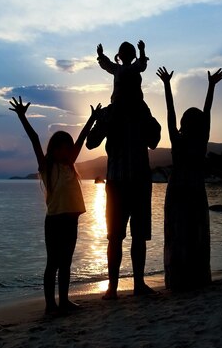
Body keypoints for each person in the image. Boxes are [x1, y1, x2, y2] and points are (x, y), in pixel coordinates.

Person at [9, 96, 101, 315]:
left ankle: (65, 301)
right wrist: (23, 116)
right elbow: (34, 138)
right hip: (55, 222)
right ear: (54, 149)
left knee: (66, 264)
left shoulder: (70, 165)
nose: (68, 151)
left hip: (71, 221)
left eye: (69, 148)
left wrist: (91, 119)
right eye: (63, 148)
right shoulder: (48, 168)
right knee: (53, 264)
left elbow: (81, 138)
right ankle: (51, 305)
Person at [86, 90, 161, 300]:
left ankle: (135, 284)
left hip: (135, 182)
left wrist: (146, 115)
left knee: (135, 237)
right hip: (120, 183)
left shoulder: (141, 110)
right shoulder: (113, 113)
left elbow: (154, 140)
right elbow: (91, 142)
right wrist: (101, 119)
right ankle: (113, 288)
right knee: (116, 237)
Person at [157, 66, 222, 291]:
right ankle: (197, 278)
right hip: (194, 188)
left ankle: (178, 280)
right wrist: (211, 86)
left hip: (178, 189)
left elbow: (170, 112)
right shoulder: (200, 140)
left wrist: (167, 85)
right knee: (195, 233)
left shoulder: (178, 140)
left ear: (183, 124)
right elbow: (207, 112)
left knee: (178, 234)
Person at [96, 40, 152, 122]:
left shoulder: (135, 67)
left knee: (152, 125)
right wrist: (101, 55)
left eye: (127, 52)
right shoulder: (117, 68)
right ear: (119, 55)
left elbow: (142, 64)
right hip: (118, 103)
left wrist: (142, 51)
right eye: (123, 52)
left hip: (136, 103)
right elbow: (107, 64)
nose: (125, 54)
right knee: (106, 119)